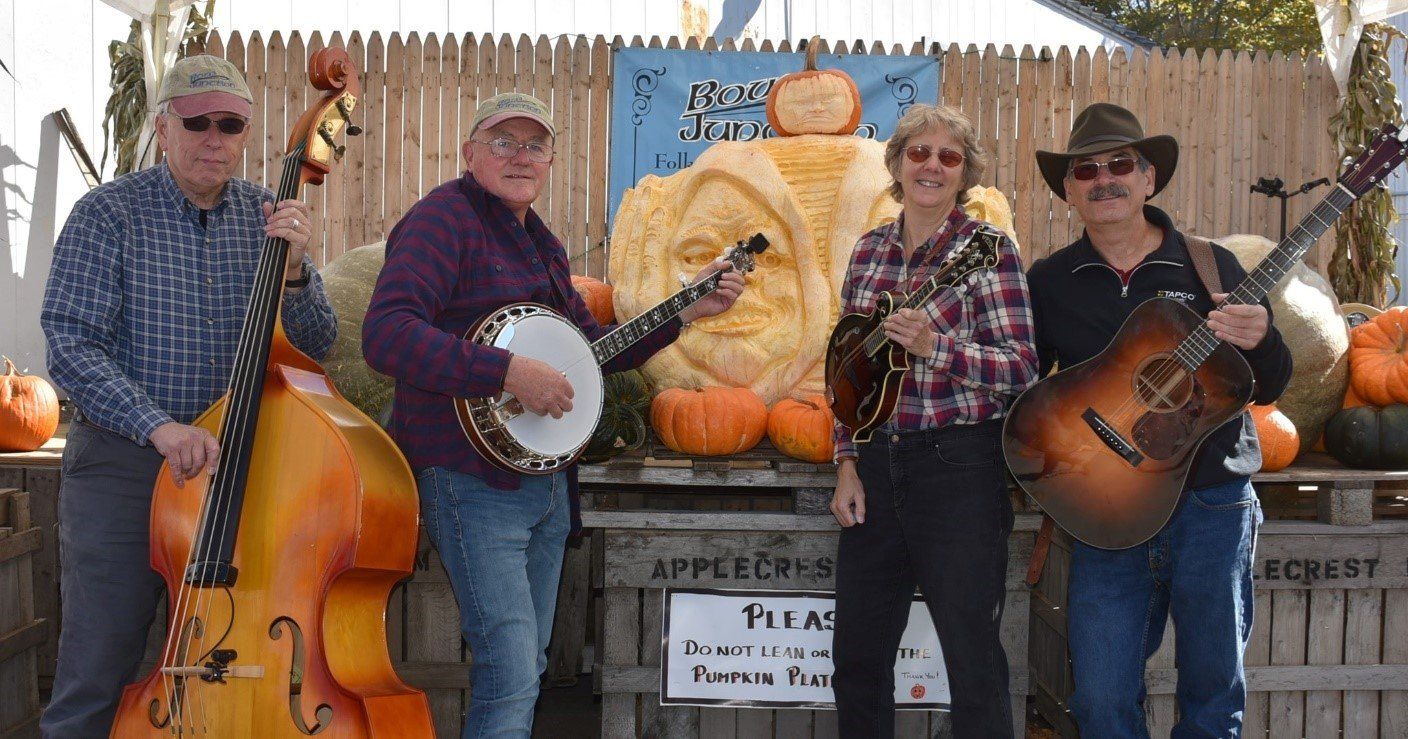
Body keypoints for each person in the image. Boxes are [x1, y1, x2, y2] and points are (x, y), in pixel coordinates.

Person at [361, 92, 744, 738]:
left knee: (527, 666)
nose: (520, 156)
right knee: (511, 671)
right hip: (470, 483)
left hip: (544, 487)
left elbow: (592, 353)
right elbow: (387, 334)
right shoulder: (443, 221)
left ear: (551, 160)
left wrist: (684, 311)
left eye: (533, 145)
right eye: (503, 142)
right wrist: (506, 371)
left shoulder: (543, 244)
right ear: (470, 153)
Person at [38, 55, 336, 736]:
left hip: (235, 475)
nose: (212, 136)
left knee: (218, 662)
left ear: (245, 132)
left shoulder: (269, 216)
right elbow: (72, 345)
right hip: (126, 464)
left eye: (228, 123)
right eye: (195, 121)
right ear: (162, 128)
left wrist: (295, 274)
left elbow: (315, 346)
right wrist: (159, 426)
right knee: (100, 661)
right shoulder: (107, 214)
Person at [1026, 102, 1293, 736]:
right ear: (1069, 189)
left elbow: (1271, 384)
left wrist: (1262, 341)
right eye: (1086, 170)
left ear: (1149, 178)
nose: (1104, 178)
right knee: (1099, 699)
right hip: (1108, 513)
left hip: (1211, 505)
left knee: (1212, 694)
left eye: (1121, 164)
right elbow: (1029, 390)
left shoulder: (1209, 266)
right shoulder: (1049, 281)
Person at [827, 103, 1037, 737]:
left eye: (949, 157)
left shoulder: (987, 251)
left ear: (964, 173)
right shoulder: (868, 252)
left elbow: (1022, 368)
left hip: (960, 467)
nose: (932, 166)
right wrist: (846, 462)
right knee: (857, 657)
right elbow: (844, 375)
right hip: (875, 465)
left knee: (971, 656)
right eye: (919, 153)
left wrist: (935, 348)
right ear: (896, 164)